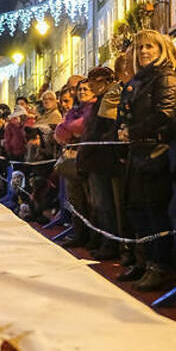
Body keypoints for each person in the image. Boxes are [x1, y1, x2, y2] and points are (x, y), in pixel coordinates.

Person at [115, 30, 176, 291]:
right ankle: (145, 261)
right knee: (136, 209)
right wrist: (123, 128)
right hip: (138, 151)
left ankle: (161, 266)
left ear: (161, 48)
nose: (143, 52)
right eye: (140, 47)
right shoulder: (140, 79)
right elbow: (127, 110)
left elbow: (165, 112)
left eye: (149, 47)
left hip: (156, 151)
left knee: (155, 211)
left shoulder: (165, 75)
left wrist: (133, 131)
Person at [77, 67, 123, 261]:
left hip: (103, 159)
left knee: (105, 204)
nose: (90, 85)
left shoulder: (109, 100)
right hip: (96, 158)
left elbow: (102, 131)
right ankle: (104, 240)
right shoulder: (98, 103)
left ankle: (110, 243)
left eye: (93, 81)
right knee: (99, 204)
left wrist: (89, 149)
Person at [55, 80, 97, 248]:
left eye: (86, 89)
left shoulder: (93, 108)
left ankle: (93, 236)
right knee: (75, 199)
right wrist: (69, 129)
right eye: (79, 89)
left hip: (88, 159)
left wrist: (69, 128)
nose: (82, 92)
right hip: (73, 159)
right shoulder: (75, 110)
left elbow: (81, 127)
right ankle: (79, 233)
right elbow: (59, 133)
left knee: (91, 200)